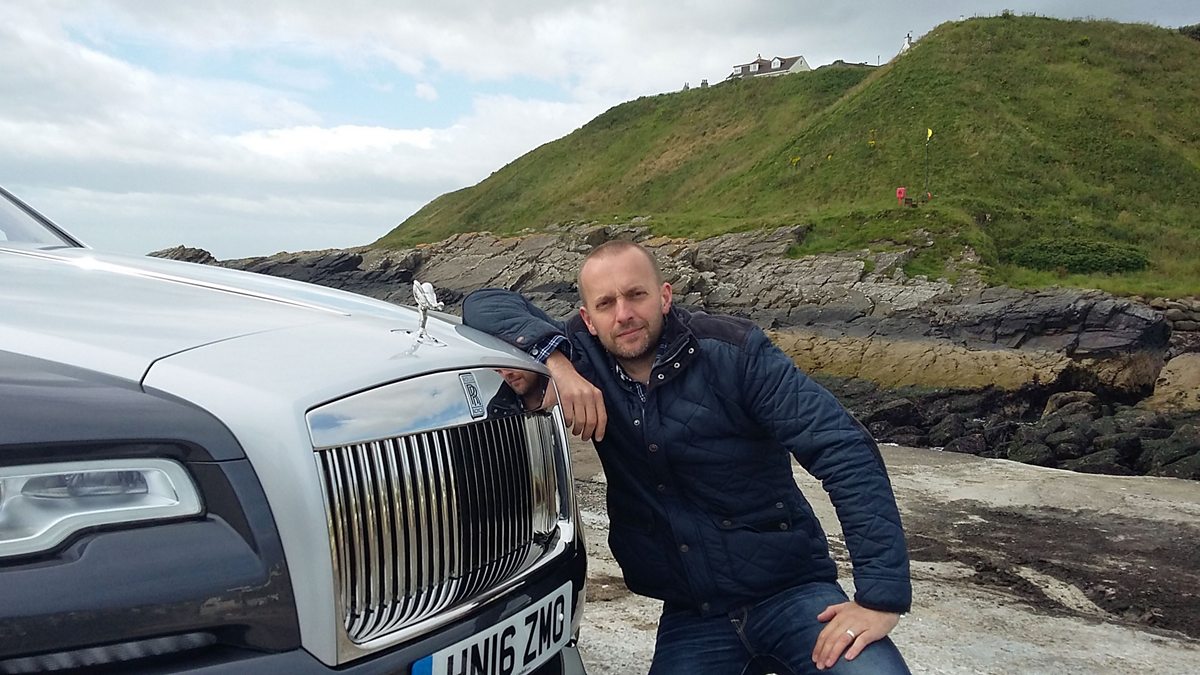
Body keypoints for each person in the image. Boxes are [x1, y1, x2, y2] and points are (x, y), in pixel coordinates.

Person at [463, 240, 911, 674]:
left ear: (664, 296)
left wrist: (879, 598)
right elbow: (485, 303)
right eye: (606, 304)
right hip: (695, 615)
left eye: (636, 295)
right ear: (588, 319)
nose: (623, 314)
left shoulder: (735, 352)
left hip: (793, 592)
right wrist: (557, 365)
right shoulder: (582, 356)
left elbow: (843, 448)